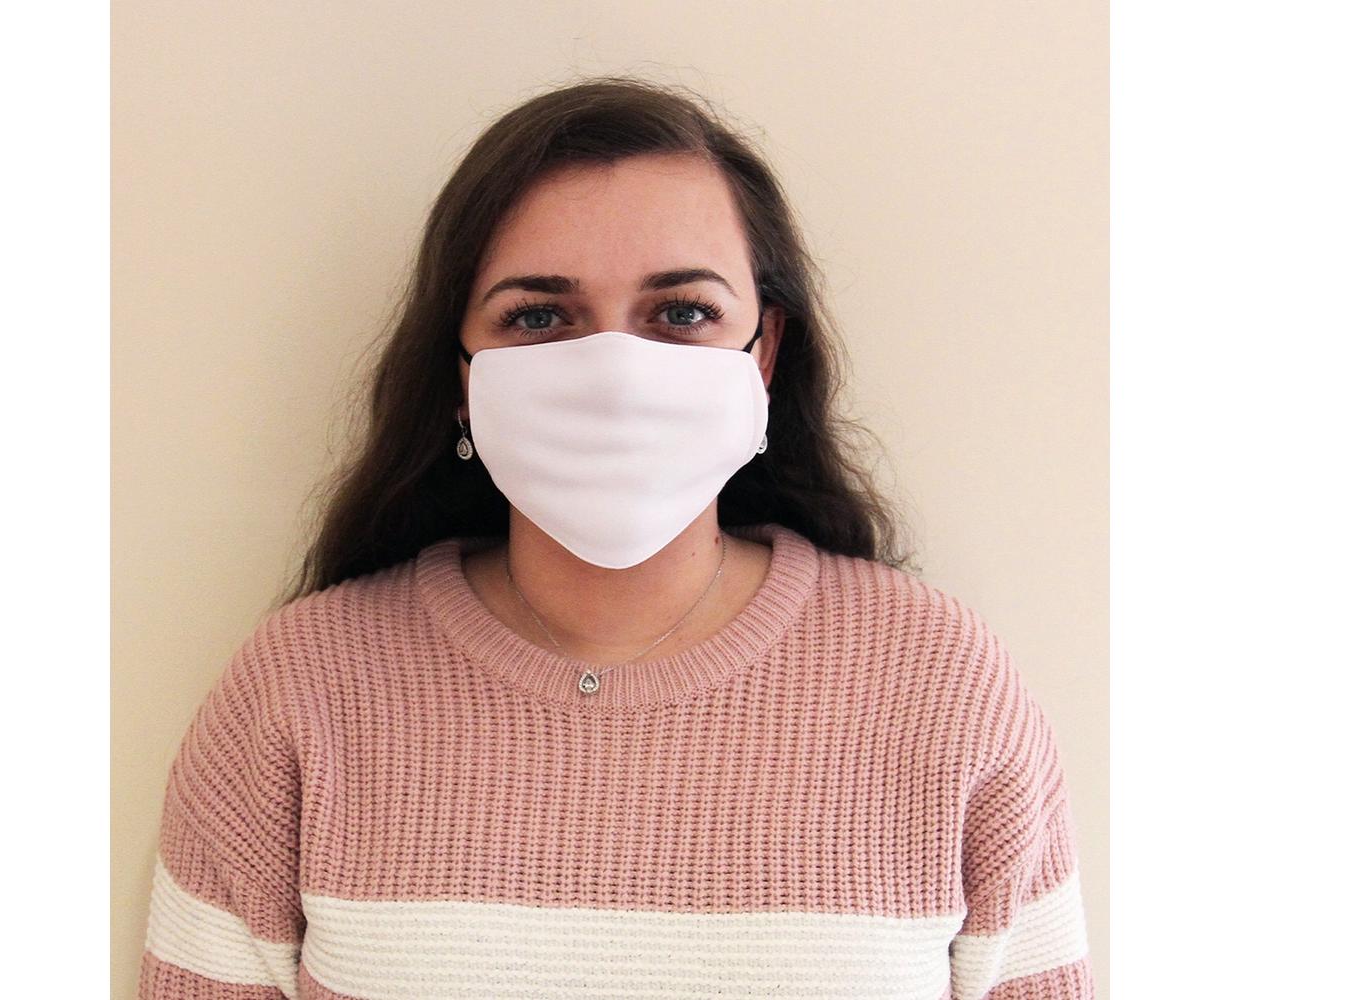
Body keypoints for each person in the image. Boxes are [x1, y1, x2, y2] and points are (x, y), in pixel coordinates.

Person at [137, 76, 1096, 999]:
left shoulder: (941, 682)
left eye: (682, 313)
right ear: (460, 373)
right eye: (538, 316)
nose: (614, 373)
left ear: (763, 353)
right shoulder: (300, 688)